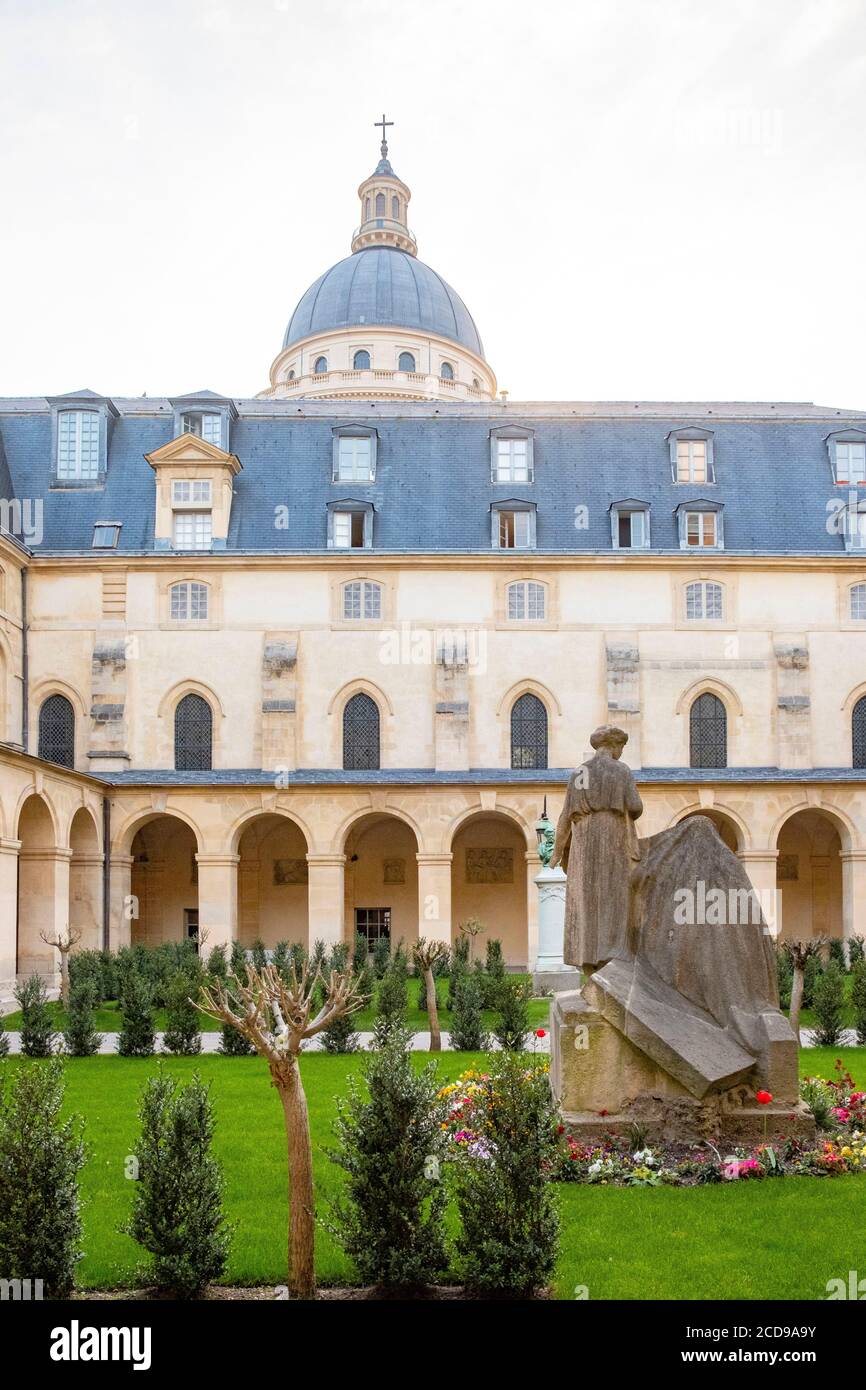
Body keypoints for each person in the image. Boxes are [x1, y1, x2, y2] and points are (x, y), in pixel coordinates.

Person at [551, 724, 643, 973]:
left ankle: (588, 960)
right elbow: (635, 807)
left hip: (583, 842)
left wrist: (557, 852)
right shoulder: (621, 771)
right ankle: (612, 956)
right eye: (621, 747)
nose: (621, 752)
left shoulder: (579, 773)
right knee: (614, 896)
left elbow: (564, 816)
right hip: (612, 838)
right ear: (613, 745)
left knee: (586, 898)